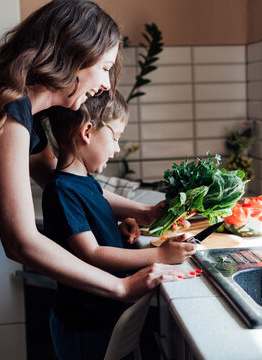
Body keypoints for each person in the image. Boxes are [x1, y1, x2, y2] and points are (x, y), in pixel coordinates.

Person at [0, 0, 194, 303]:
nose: (104, 85)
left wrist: (143, 212)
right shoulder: (8, 105)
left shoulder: (19, 107)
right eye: (105, 68)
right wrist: (121, 287)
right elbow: (21, 242)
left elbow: (64, 182)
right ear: (74, 54)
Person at [42, 90, 196, 359]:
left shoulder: (84, 181)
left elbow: (96, 214)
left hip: (102, 314)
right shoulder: (62, 190)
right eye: (115, 137)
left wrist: (129, 221)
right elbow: (92, 254)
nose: (117, 148)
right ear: (87, 132)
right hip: (83, 324)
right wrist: (160, 254)